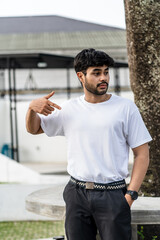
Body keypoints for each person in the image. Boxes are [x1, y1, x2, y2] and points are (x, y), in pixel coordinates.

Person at [26, 48, 152, 240]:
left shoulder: (125, 108)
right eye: (96, 73)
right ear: (81, 76)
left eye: (106, 72)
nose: (104, 78)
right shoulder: (69, 108)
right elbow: (34, 129)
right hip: (76, 193)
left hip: (113, 194)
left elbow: (142, 154)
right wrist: (31, 109)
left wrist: (130, 195)